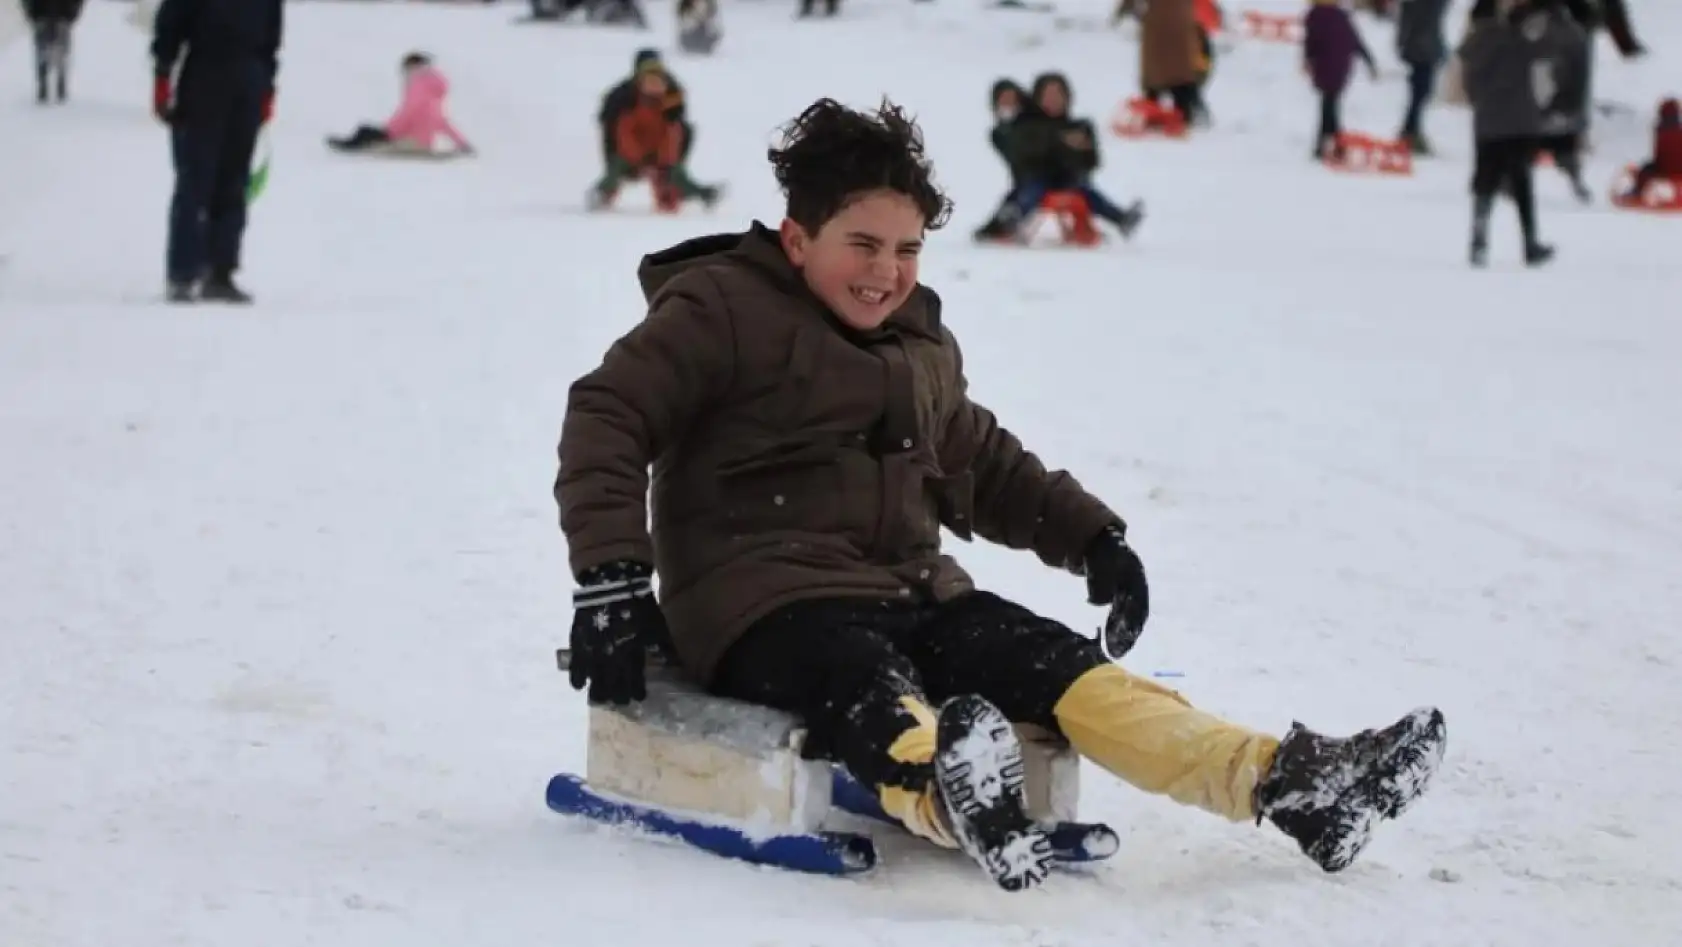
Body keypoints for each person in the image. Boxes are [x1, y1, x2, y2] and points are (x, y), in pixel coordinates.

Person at [554, 96, 1448, 892]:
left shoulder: (916, 341)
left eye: (905, 248)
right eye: (861, 245)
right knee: (860, 677)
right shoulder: (721, 309)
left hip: (910, 589)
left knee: (1055, 664)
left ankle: (1284, 781)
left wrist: (1094, 539)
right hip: (761, 600)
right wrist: (611, 580)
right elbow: (608, 414)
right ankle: (946, 789)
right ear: (797, 240)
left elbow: (978, 459)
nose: (886, 271)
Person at [152, 0, 284, 304]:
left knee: (234, 179)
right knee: (195, 178)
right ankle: (183, 271)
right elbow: (171, 21)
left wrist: (267, 87)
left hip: (249, 79)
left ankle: (220, 270)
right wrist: (162, 72)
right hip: (204, 75)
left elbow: (271, 37)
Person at [1460, 0, 1587, 267]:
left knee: (1485, 182)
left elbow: (1469, 78)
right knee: (1522, 185)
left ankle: (1478, 242)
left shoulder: (1479, 43)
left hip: (1488, 122)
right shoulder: (1523, 42)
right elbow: (1554, 51)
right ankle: (1530, 244)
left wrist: (1479, 102)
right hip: (1521, 122)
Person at [984, 73, 1144, 243]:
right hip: (1035, 180)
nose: (1053, 100)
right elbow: (1029, 155)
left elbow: (1091, 162)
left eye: (1058, 94)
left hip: (1068, 181)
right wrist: (1062, 142)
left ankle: (1121, 219)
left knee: (1087, 192)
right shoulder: (1027, 126)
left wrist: (1081, 148)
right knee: (1032, 191)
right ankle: (1012, 218)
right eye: (1048, 95)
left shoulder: (1079, 126)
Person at [588, 65, 721, 211]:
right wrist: (638, 157)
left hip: (659, 159)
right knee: (615, 169)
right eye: (649, 82)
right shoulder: (631, 108)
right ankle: (602, 193)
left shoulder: (669, 112)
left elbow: (671, 139)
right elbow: (625, 136)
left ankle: (701, 194)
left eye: (658, 83)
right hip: (632, 157)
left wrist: (663, 161)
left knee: (677, 175)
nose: (654, 87)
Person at [326, 53, 474, 156]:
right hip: (414, 138)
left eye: (405, 67)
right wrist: (462, 143)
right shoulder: (430, 96)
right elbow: (443, 124)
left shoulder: (419, 89)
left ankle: (349, 147)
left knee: (365, 131)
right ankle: (352, 144)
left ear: (413, 66)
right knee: (366, 130)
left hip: (411, 141)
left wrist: (388, 132)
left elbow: (408, 115)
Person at [1303, 0, 1377, 162]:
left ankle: (1327, 145)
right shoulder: (1341, 15)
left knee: (1328, 106)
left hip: (1324, 65)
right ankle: (1334, 144)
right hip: (1341, 65)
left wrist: (1307, 60)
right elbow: (1356, 40)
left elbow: (1311, 42)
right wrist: (1369, 61)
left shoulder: (1314, 15)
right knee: (1331, 105)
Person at [598, 50, 694, 169]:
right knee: (617, 126)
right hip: (632, 138)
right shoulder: (623, 93)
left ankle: (673, 169)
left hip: (658, 138)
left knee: (682, 129)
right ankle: (616, 167)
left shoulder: (672, 89)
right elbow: (606, 119)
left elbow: (677, 118)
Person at [971, 79, 1037, 241]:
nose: (1008, 104)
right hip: (1024, 180)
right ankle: (995, 228)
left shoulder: (1035, 124)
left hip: (1046, 178)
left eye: (1012, 99)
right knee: (1014, 199)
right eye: (1004, 100)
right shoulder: (999, 133)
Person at [1395, 0, 1451, 155]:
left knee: (1419, 95)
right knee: (1420, 94)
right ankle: (1410, 132)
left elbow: (1404, 25)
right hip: (1425, 51)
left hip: (1419, 50)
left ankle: (1410, 130)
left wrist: (1401, 45)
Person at [1618, 98, 1682, 202]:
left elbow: (1659, 156)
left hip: (1664, 170)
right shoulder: (1679, 131)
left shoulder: (1660, 132)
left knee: (1645, 170)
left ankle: (1638, 192)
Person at [23, 0, 83, 105]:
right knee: (43, 54)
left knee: (60, 53)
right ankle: (44, 88)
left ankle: (59, 87)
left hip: (60, 16)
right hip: (44, 15)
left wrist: (72, 14)